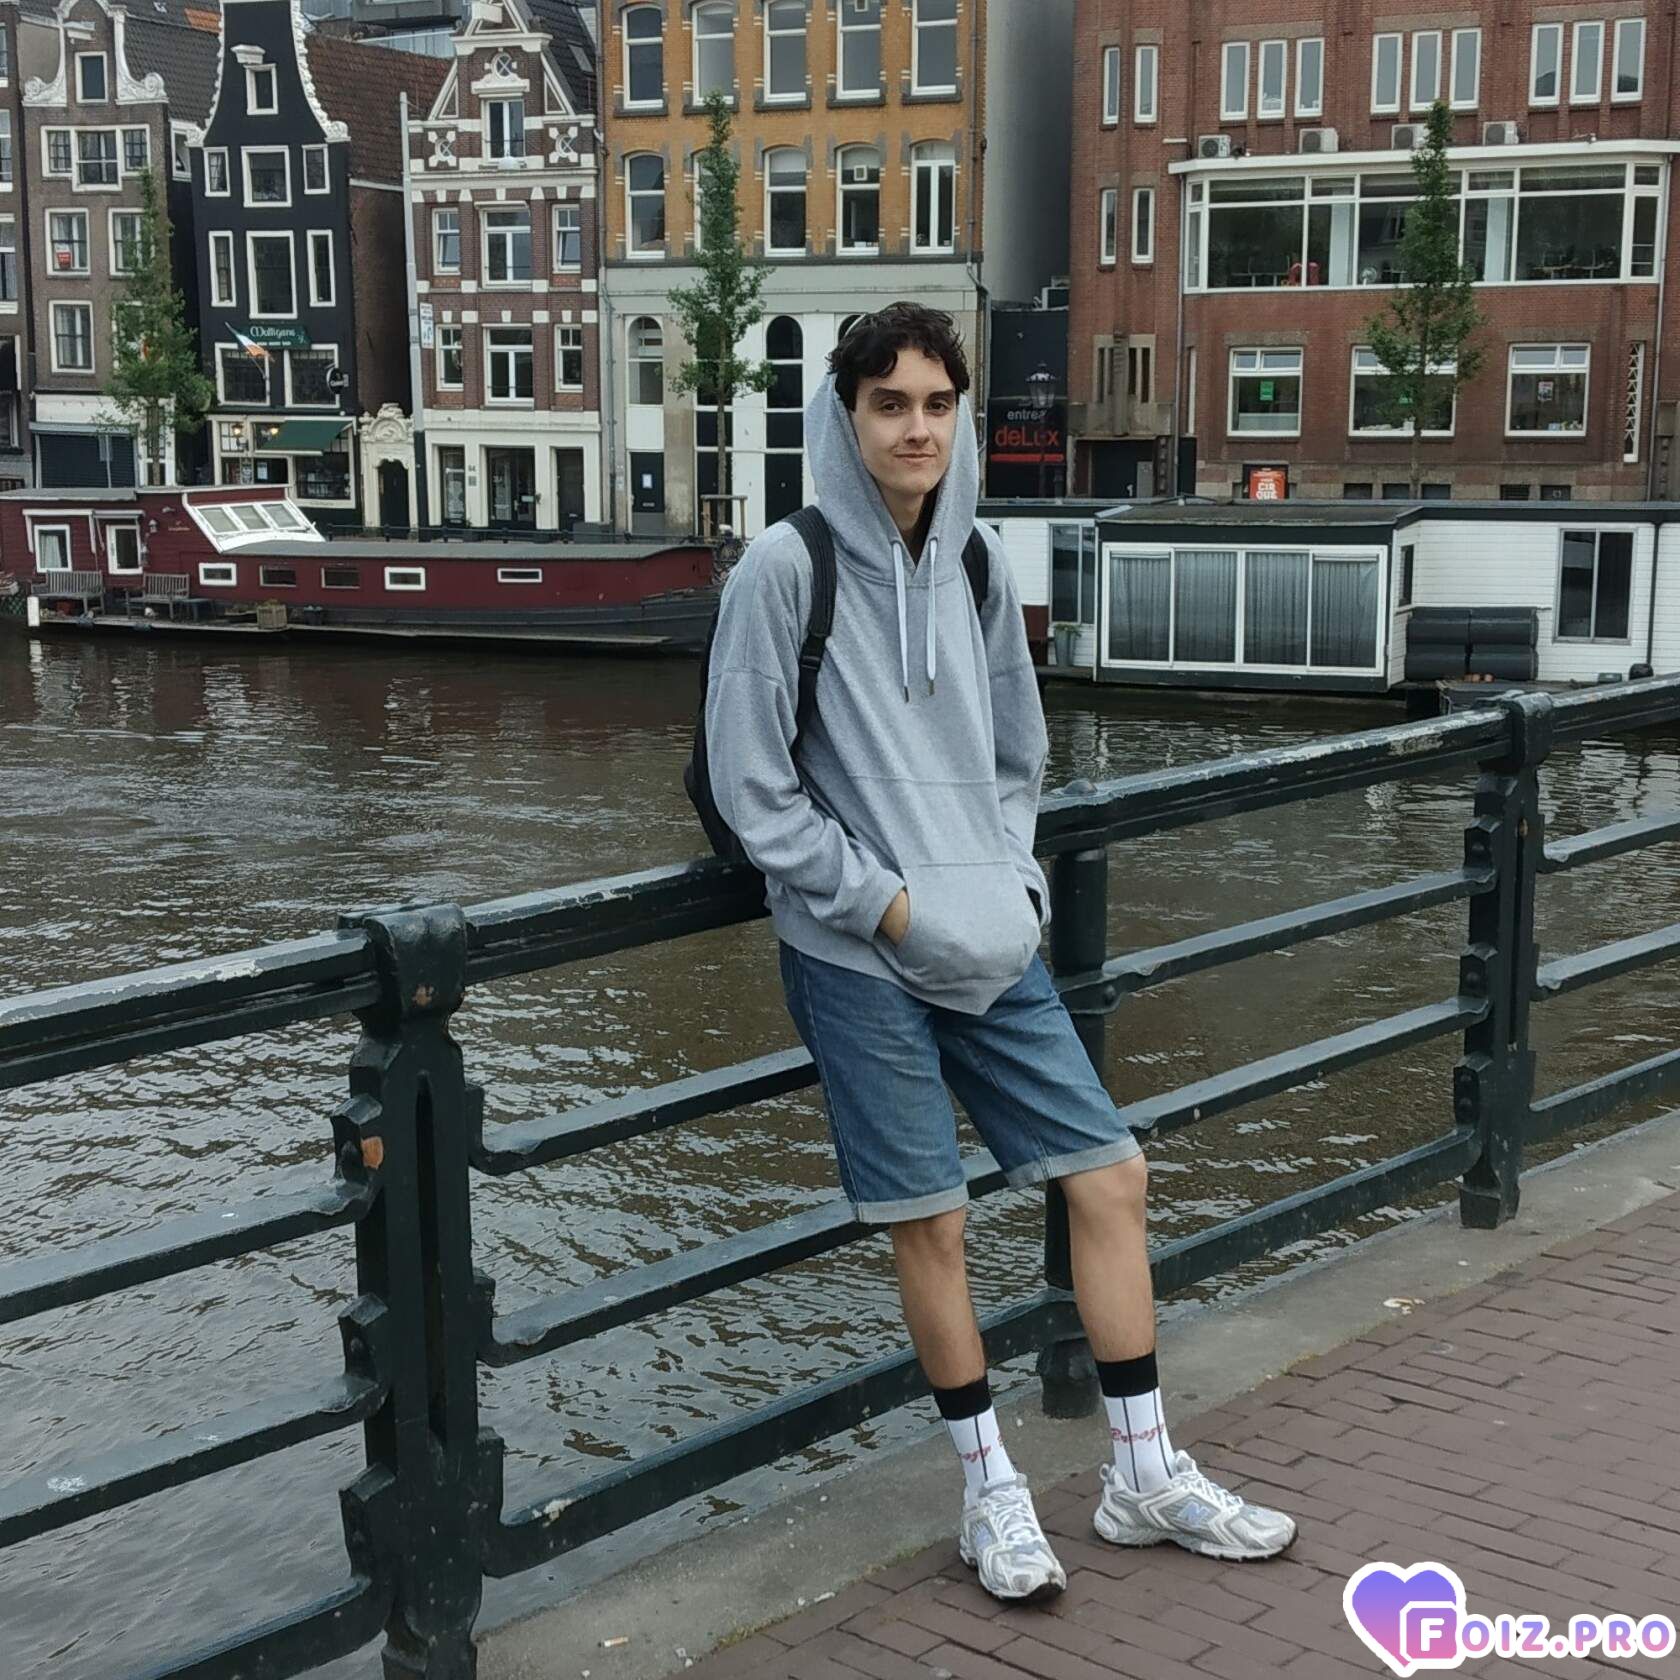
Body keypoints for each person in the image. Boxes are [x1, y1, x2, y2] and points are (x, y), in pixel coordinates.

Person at [702, 304, 1297, 1604]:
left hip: (989, 935)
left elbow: (1020, 752)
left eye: (937, 404)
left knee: (1111, 1176)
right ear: (846, 417)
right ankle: (991, 1493)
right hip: (859, 953)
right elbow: (753, 791)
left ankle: (1143, 1474)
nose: (916, 429)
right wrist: (886, 906)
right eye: (889, 404)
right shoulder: (782, 573)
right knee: (935, 1221)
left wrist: (1010, 879)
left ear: (960, 415)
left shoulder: (977, 561)